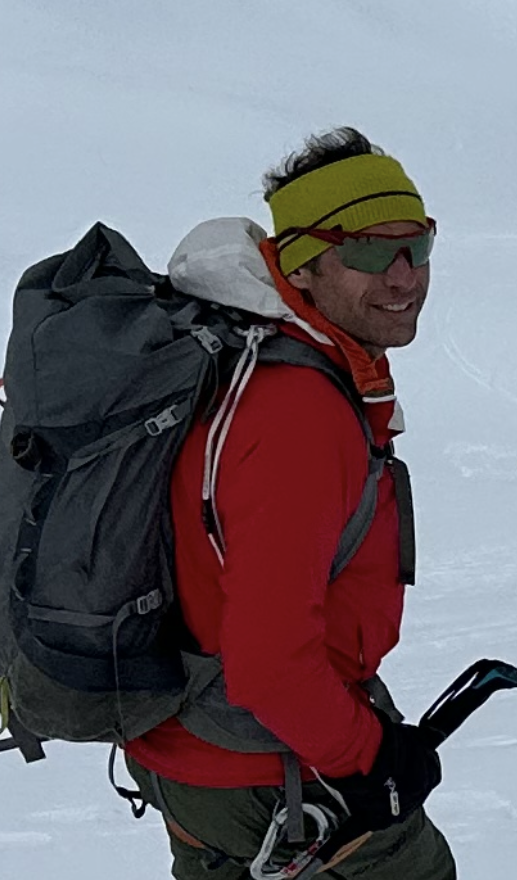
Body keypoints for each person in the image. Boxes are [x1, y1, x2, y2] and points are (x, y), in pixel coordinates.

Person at [122, 127, 455, 879]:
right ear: (301, 263)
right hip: (266, 769)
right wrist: (372, 757)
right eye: (369, 251)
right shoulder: (297, 414)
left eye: (418, 245)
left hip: (191, 756)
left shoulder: (254, 356)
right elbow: (270, 666)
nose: (404, 276)